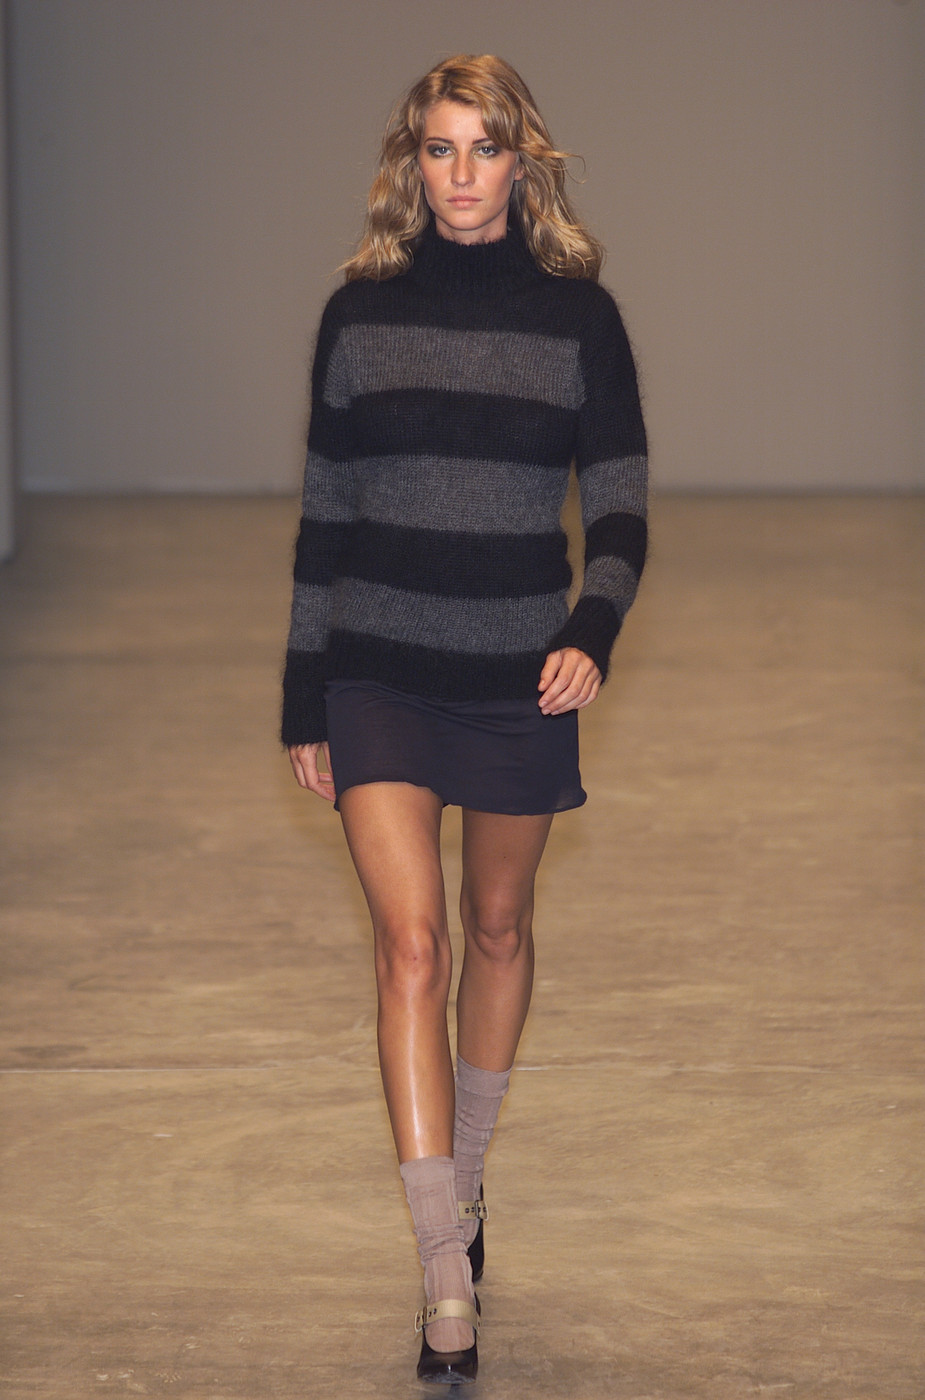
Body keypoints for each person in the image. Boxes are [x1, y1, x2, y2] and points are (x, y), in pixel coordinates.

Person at [282, 53, 647, 1385]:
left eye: (483, 148)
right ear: (411, 162)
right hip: (376, 669)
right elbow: (323, 516)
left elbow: (619, 507)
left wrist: (589, 630)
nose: (460, 175)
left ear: (520, 161)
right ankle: (444, 1270)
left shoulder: (579, 319)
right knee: (412, 946)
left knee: (496, 927)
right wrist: (303, 693)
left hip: (513, 674)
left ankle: (467, 1183)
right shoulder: (357, 314)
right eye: (438, 149)